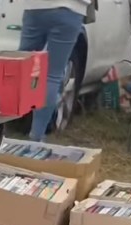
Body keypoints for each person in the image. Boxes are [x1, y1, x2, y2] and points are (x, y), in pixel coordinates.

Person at [19, 0, 92, 140]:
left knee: (21, 68)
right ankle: (37, 135)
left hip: (35, 7)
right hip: (71, 8)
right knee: (52, 75)